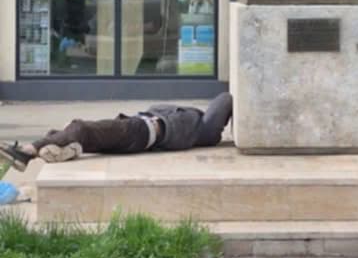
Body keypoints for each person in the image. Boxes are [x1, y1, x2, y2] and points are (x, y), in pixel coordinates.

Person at [0, 92, 233, 171]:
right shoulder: (195, 124)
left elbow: (226, 98)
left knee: (80, 127)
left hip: (139, 131)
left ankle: (27, 152)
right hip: (135, 132)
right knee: (68, 132)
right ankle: (67, 149)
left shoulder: (206, 132)